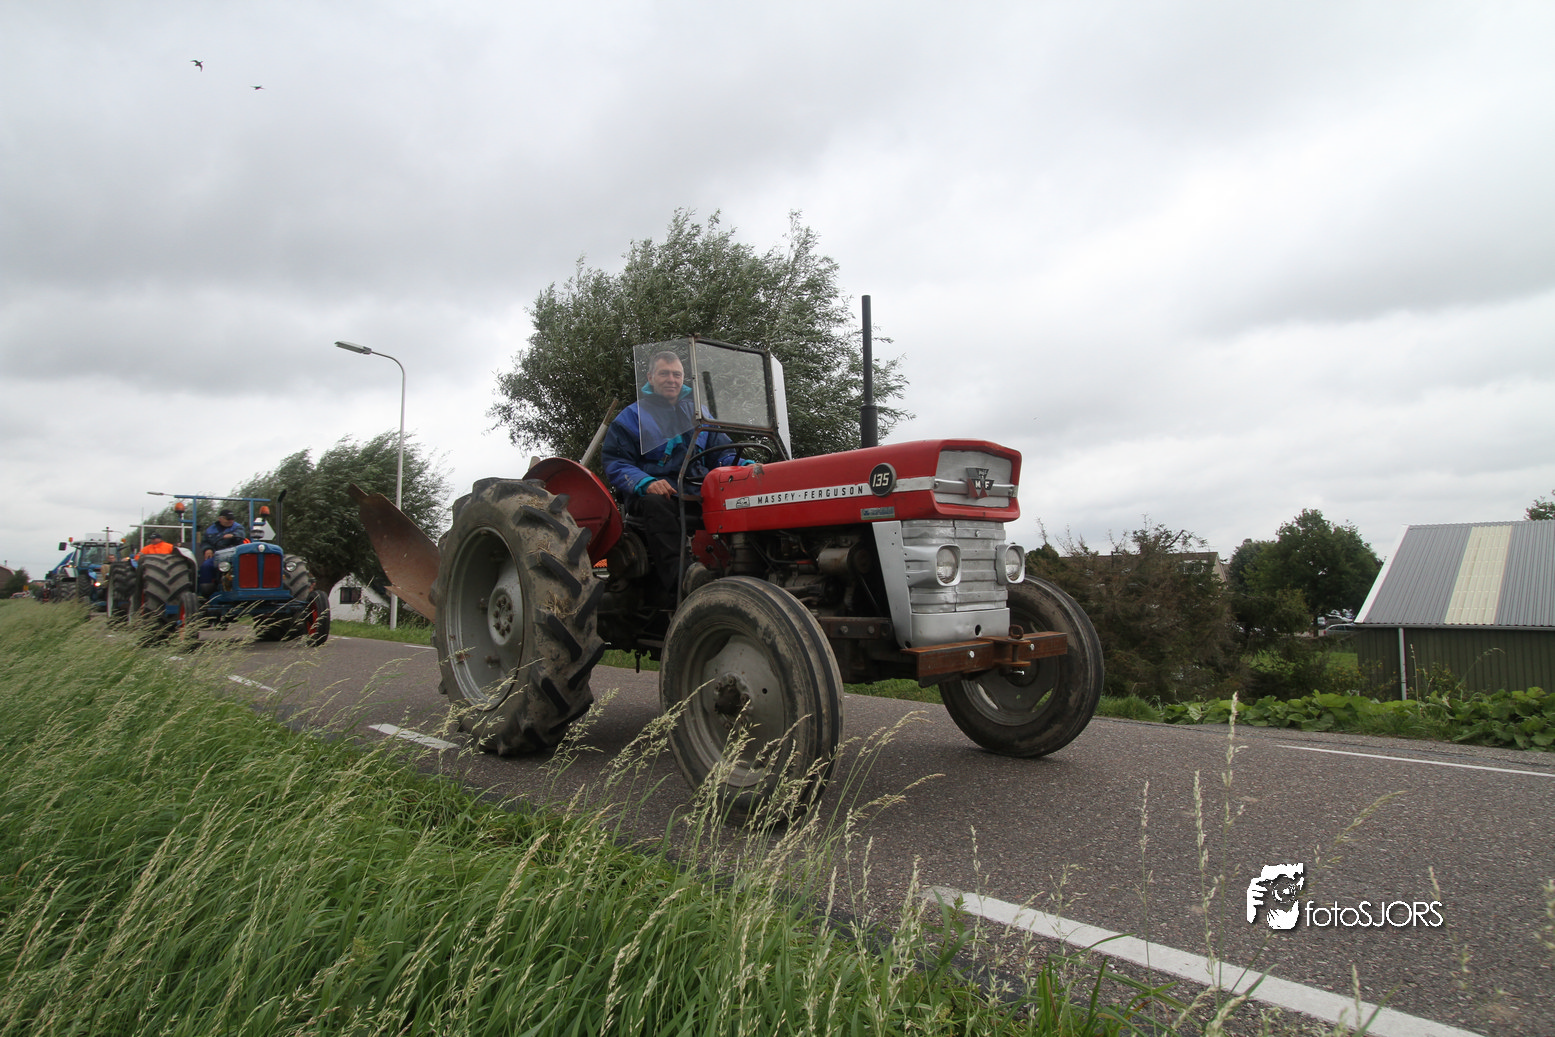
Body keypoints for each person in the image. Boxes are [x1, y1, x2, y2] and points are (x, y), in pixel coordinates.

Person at [602, 350, 741, 603]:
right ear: (650, 378)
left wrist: (744, 467)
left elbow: (721, 454)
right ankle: (685, 581)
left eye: (676, 374)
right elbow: (617, 462)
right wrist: (645, 482)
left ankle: (743, 570)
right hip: (654, 495)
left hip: (696, 491)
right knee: (657, 503)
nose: (671, 380)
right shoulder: (632, 416)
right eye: (664, 374)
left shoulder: (699, 414)